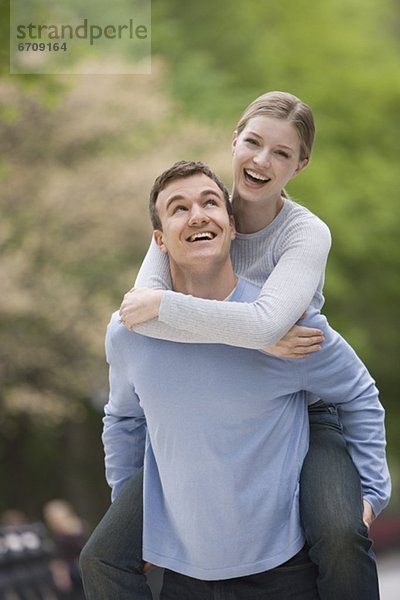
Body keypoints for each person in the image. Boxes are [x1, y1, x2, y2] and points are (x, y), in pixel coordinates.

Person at [116, 92, 385, 598]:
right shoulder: (203, 213)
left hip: (305, 402)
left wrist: (374, 490)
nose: (262, 161)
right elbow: (138, 315)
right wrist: (256, 335)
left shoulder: (305, 235)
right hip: (215, 404)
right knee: (105, 554)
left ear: (300, 165)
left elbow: (172, 312)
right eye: (254, 143)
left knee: (339, 531)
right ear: (233, 141)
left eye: (282, 153)